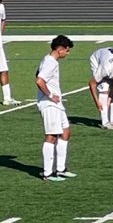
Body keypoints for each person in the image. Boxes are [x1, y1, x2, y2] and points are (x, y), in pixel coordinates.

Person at [35, 35, 76, 182]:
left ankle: (60, 169)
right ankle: (47, 173)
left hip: (56, 104)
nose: (67, 53)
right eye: (67, 50)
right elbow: (39, 80)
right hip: (49, 104)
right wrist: (51, 95)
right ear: (60, 49)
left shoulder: (48, 60)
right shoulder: (50, 63)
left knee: (65, 132)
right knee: (51, 136)